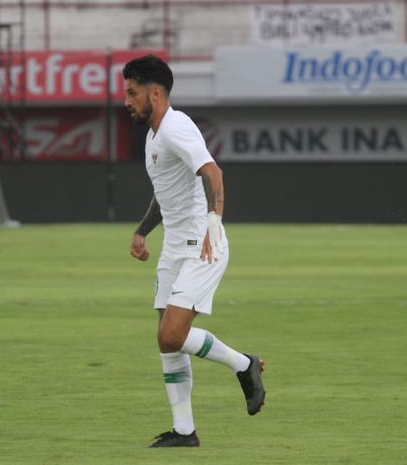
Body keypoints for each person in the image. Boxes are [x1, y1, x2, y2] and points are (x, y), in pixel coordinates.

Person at [123, 55, 265, 448]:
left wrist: (214, 222)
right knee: (167, 340)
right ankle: (184, 430)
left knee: (173, 334)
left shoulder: (176, 126)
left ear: (155, 92)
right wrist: (142, 231)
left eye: (132, 93)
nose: (127, 101)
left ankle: (243, 364)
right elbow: (165, 194)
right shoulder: (154, 136)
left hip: (202, 247)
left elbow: (212, 172)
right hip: (174, 247)